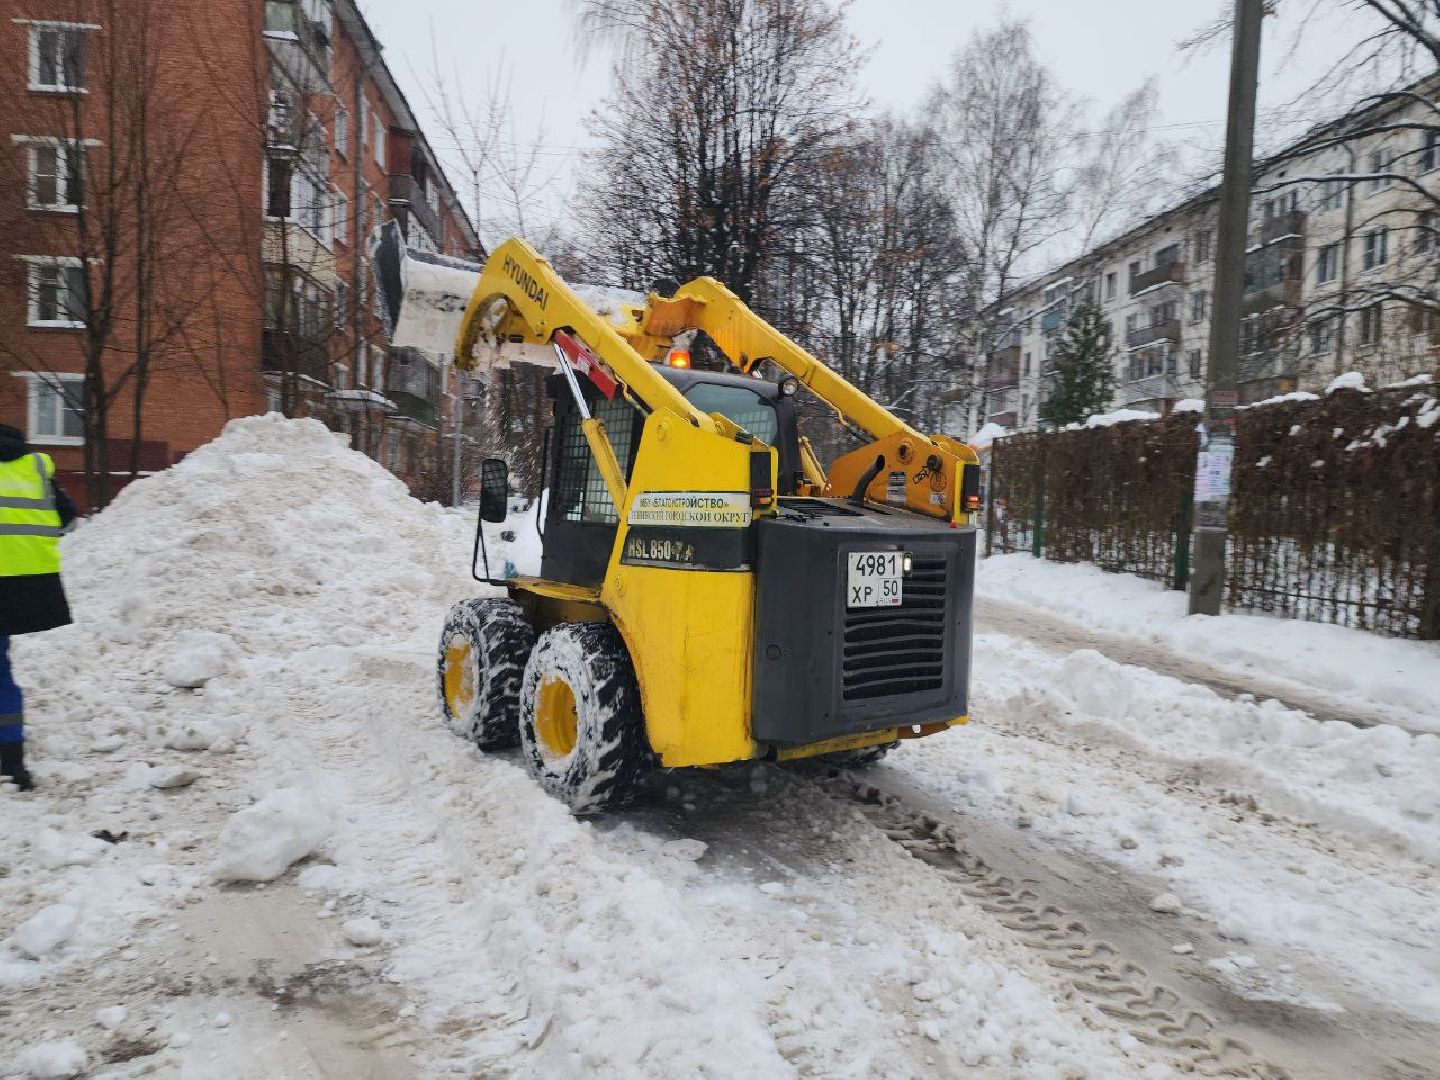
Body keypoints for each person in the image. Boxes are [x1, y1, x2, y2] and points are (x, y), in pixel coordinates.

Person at [0, 422, 77, 791]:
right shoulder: (34, 466)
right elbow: (67, 517)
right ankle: (12, 761)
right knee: (1, 672)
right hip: (28, 582)